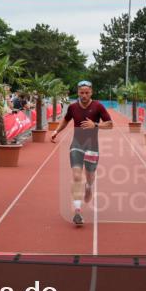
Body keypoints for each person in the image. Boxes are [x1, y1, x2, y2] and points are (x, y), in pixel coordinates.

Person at [51, 80, 112, 227]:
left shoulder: (98, 106)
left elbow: (110, 124)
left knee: (90, 177)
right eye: (81, 92)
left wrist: (95, 124)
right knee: (77, 176)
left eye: (87, 93)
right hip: (76, 145)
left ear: (91, 92)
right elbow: (66, 120)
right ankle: (77, 211)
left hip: (92, 146)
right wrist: (56, 131)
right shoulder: (72, 107)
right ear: (78, 92)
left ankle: (89, 187)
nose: (84, 95)